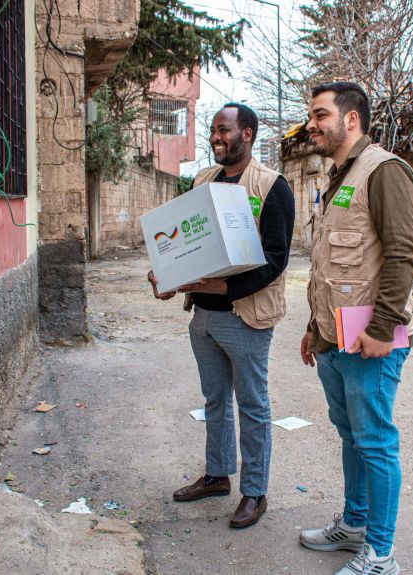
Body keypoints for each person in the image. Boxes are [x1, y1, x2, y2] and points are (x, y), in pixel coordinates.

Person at [148, 103, 294, 529]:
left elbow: (276, 259)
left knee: (252, 406)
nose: (216, 137)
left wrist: (227, 288)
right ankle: (217, 475)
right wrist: (168, 274)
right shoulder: (203, 181)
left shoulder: (272, 187)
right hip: (204, 317)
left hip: (246, 316)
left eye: (224, 130)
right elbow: (189, 242)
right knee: (215, 401)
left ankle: (255, 492)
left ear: (247, 134)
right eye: (213, 130)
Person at [298, 82, 413, 575]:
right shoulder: (336, 176)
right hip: (334, 336)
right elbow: (330, 264)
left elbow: (403, 254)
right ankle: (354, 524)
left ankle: (382, 553)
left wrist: (384, 327)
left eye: (320, 114)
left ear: (351, 119)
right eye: (311, 115)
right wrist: (313, 328)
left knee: (374, 441)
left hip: (371, 337)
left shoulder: (385, 170)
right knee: (351, 436)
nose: (311, 123)